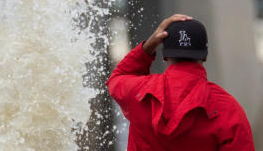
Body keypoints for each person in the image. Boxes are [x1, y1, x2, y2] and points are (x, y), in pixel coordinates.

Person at [108, 14, 255, 150]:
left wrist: (149, 46)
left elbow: (117, 77)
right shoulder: (228, 109)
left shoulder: (139, 92)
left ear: (165, 56)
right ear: (204, 56)